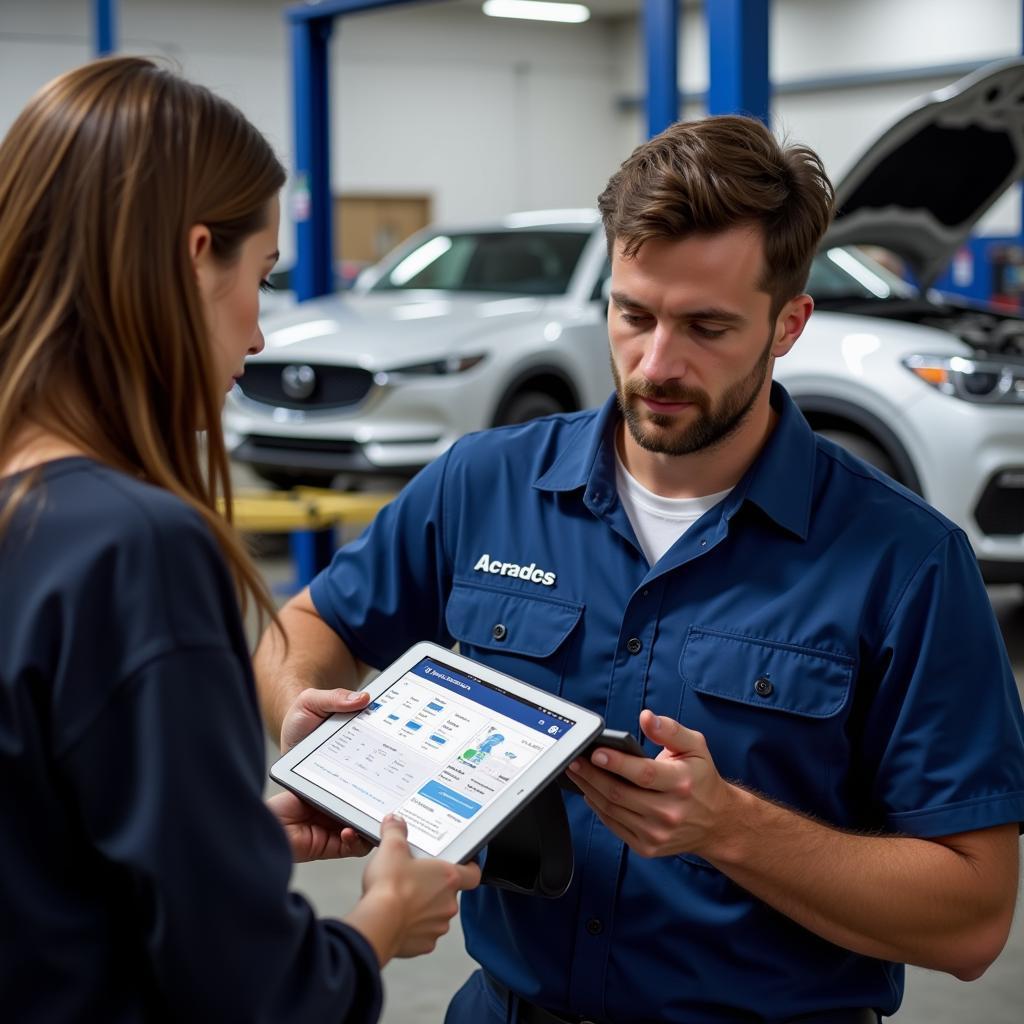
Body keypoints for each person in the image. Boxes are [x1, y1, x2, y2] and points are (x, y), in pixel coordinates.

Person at [253, 115, 1024, 1023]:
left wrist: (731, 829)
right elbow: (308, 627)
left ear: (789, 324)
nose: (658, 363)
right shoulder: (485, 484)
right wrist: (306, 710)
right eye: (634, 315)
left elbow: (972, 920)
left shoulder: (906, 564)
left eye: (707, 326)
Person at [0, 56, 480, 1023]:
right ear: (191, 257)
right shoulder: (136, 551)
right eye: (259, 278)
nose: (259, 337)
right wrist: (382, 920)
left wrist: (216, 837)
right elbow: (258, 997)